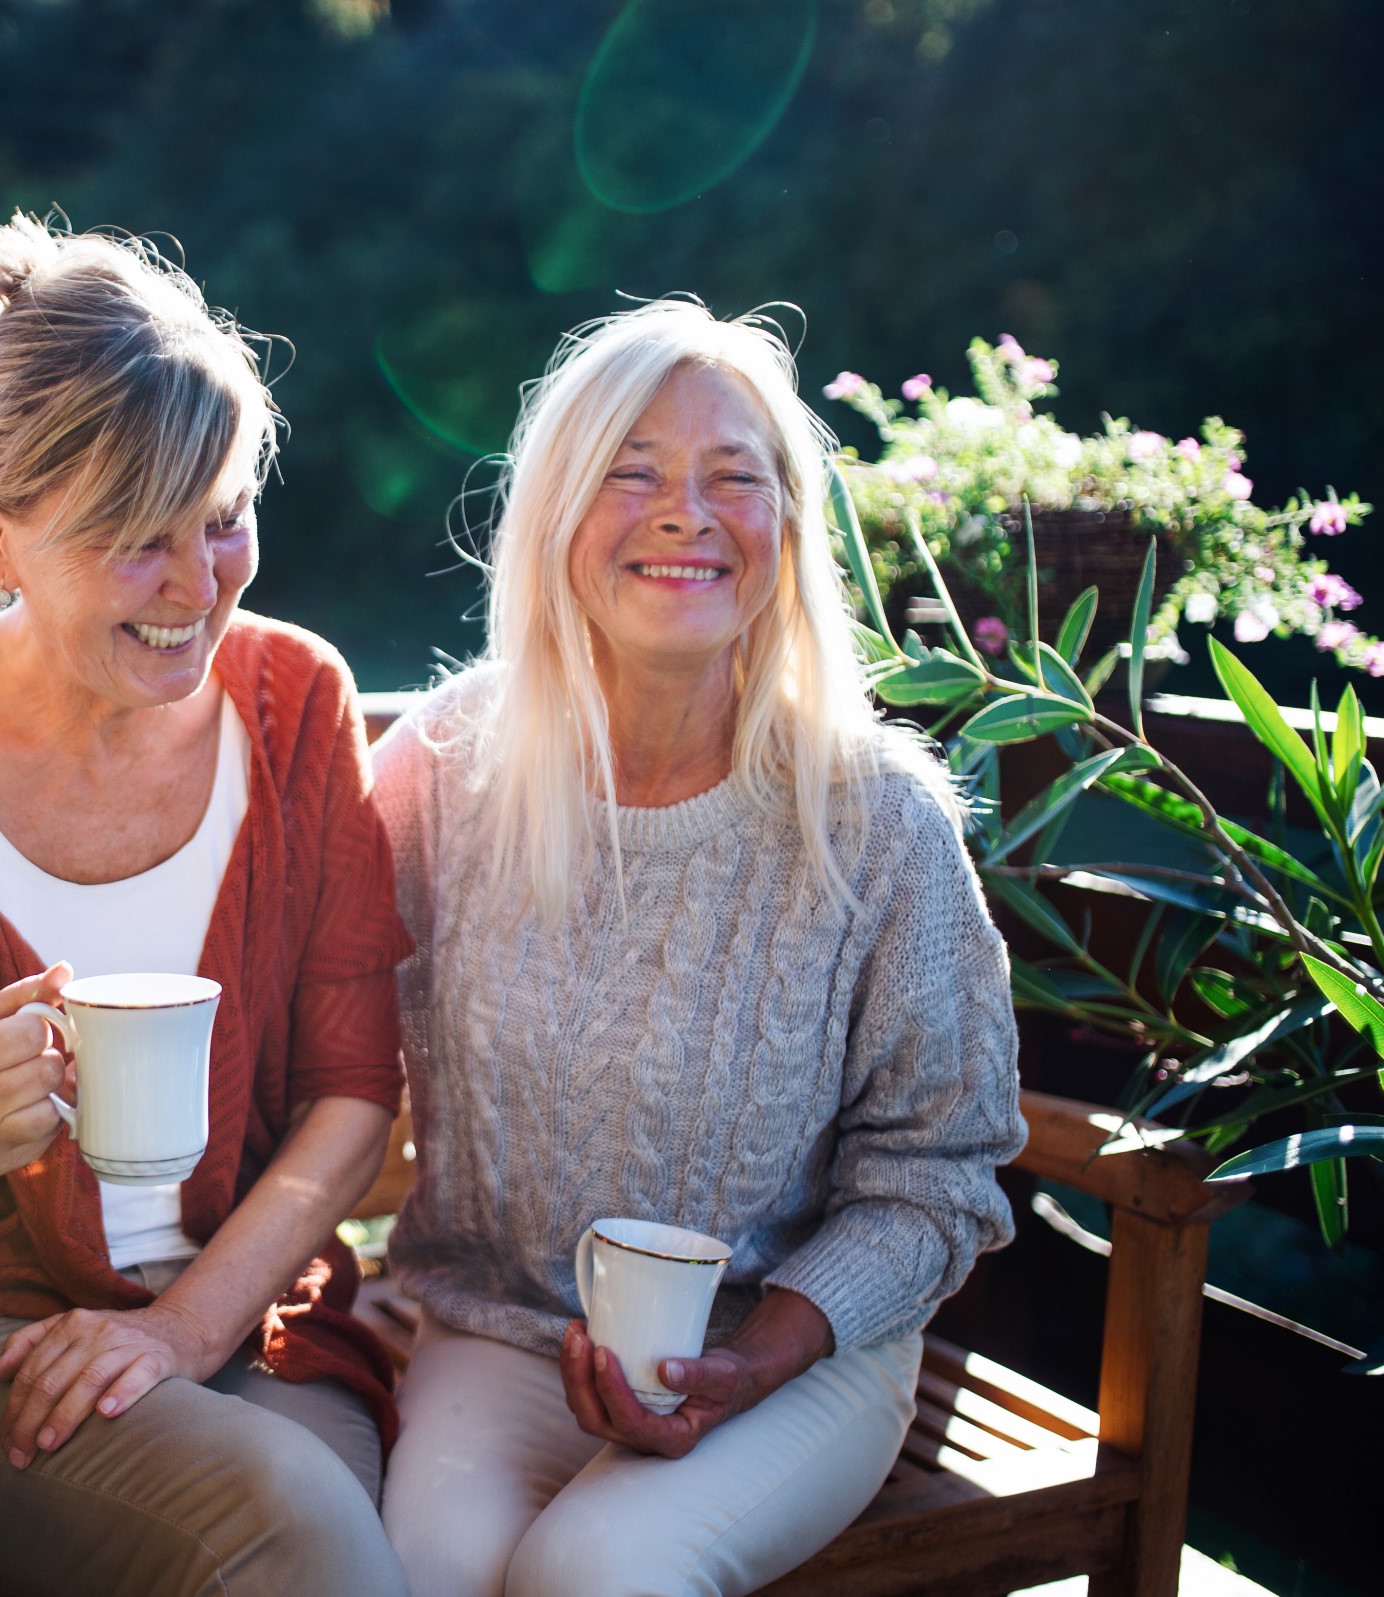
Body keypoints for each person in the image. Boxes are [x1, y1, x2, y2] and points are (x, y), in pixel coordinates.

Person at [0, 214, 413, 1597]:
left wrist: (184, 1329)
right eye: (140, 541)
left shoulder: (298, 700)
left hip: (251, 1327)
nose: (200, 588)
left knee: (333, 1538)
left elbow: (352, 1098)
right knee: (295, 1537)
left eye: (227, 517)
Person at [372, 299, 1026, 1597]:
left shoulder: (878, 824)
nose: (687, 510)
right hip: (498, 1325)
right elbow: (310, 1040)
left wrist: (759, 1359)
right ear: (557, 511)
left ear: (788, 533)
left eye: (736, 477)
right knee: (414, 1573)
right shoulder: (444, 768)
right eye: (634, 472)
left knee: (596, 1573)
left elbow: (941, 1173)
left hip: (800, 1350)